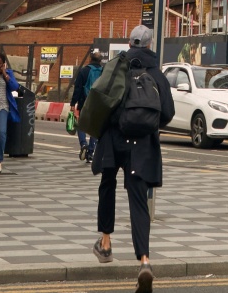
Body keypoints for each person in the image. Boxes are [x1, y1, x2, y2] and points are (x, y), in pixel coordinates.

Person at [91, 25, 175, 293]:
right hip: (142, 145)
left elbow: (100, 98)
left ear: (129, 42)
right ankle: (144, 261)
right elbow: (168, 112)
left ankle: (105, 243)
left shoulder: (118, 66)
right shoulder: (157, 74)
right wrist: (148, 124)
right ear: (150, 45)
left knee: (107, 184)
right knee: (139, 200)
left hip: (114, 140)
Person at [70, 48, 105, 161]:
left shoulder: (84, 71)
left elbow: (78, 89)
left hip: (84, 102)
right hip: (98, 103)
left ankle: (83, 143)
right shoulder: (103, 72)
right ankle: (90, 152)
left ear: (90, 59)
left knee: (82, 124)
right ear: (100, 60)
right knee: (94, 127)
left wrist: (73, 103)